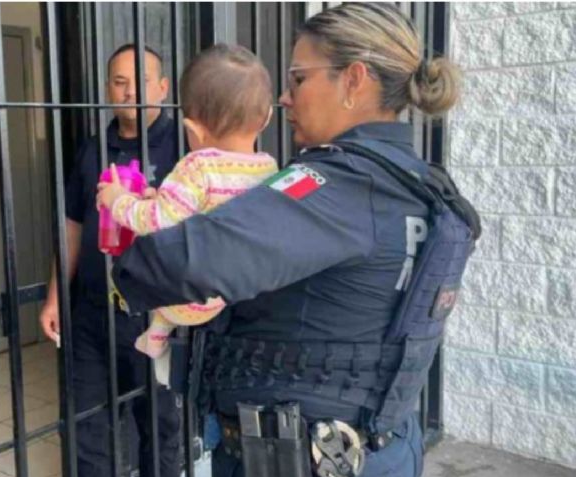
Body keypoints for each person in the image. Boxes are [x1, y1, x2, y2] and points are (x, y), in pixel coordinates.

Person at [111, 4, 477, 477]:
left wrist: (127, 275)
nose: (284, 97)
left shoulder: (335, 186)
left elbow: (184, 261)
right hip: (382, 446)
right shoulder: (419, 180)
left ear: (353, 80)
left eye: (299, 79)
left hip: (298, 458)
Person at [38, 44, 181, 476]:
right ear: (107, 88)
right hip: (93, 316)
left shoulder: (184, 149)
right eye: (119, 82)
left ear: (162, 87)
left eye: (139, 81)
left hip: (159, 316)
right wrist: (54, 297)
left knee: (160, 432)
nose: (128, 91)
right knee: (85, 430)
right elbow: (73, 227)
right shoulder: (91, 150)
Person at [96, 44, 278, 360]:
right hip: (237, 287)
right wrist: (165, 199)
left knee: (143, 274)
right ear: (266, 119)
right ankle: (156, 339)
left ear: (191, 128)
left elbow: (156, 221)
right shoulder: (268, 166)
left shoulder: (197, 166)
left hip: (187, 297)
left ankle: (156, 337)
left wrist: (117, 199)